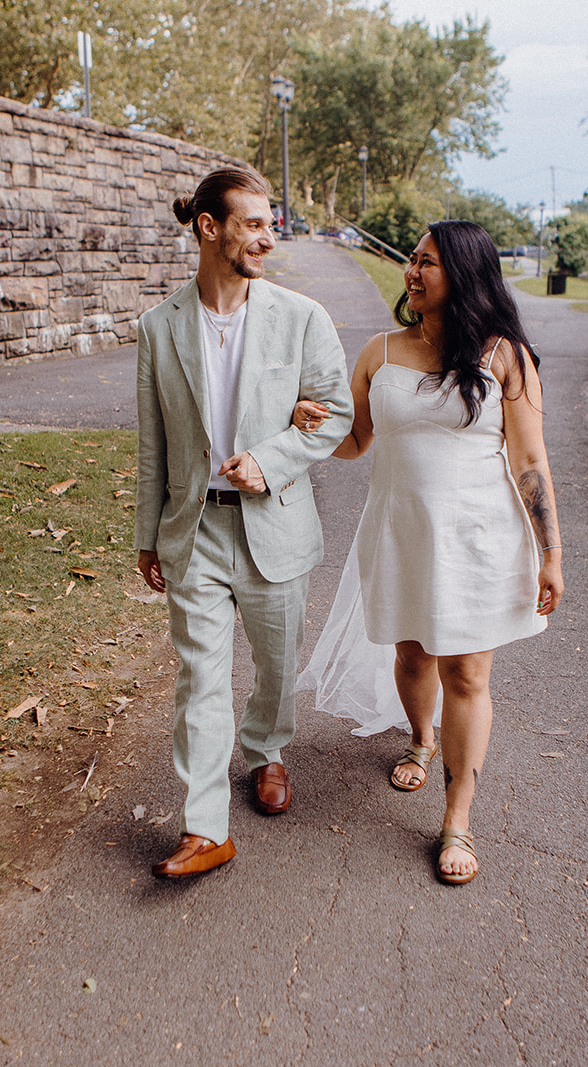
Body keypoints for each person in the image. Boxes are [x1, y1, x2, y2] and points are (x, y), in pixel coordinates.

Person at [294, 220, 563, 886]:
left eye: (429, 262)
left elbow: (530, 461)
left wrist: (551, 554)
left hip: (480, 539)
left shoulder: (505, 356)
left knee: (466, 673)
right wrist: (310, 424)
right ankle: (421, 736)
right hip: (400, 532)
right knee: (412, 654)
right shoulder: (379, 351)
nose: (412, 272)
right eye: (412, 260)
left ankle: (457, 816)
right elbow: (355, 442)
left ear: (465, 274)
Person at [135, 165, 353, 879]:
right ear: (210, 228)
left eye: (270, 224)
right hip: (194, 529)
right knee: (199, 678)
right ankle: (205, 828)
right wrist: (147, 534)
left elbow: (337, 413)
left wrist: (272, 457)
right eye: (253, 224)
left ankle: (265, 748)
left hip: (274, 523)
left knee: (276, 662)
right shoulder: (159, 327)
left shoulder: (302, 317)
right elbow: (153, 442)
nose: (268, 237)